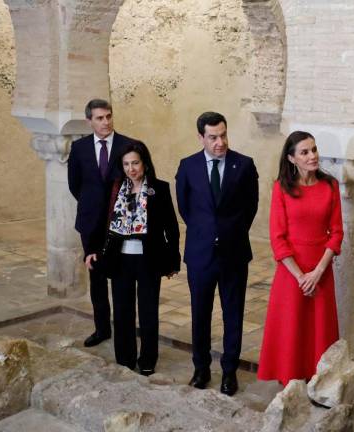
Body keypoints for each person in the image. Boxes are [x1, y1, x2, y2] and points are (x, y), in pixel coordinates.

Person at [176, 112, 259, 396]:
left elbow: (250, 207)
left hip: (234, 254)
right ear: (201, 137)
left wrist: (228, 233)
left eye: (223, 135)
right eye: (213, 137)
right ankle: (201, 368)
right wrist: (207, 233)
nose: (220, 142)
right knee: (200, 314)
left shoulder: (244, 165)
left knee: (233, 315)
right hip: (200, 255)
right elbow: (185, 209)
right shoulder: (188, 166)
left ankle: (229, 372)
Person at [84, 141, 180, 376]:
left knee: (148, 311)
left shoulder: (160, 188)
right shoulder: (115, 188)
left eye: (135, 163)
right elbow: (102, 223)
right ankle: (125, 359)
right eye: (126, 164)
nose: (131, 168)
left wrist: (172, 261)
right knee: (123, 310)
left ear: (145, 164)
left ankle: (147, 359)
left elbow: (172, 228)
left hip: (148, 260)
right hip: (120, 260)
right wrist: (93, 249)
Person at [257, 131, 343, 385]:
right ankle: (289, 382)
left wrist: (317, 273)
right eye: (305, 152)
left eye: (314, 150)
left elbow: (336, 233)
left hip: (321, 269)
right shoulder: (281, 188)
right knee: (291, 328)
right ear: (292, 158)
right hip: (291, 272)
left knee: (319, 330)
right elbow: (278, 238)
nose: (313, 156)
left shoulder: (330, 186)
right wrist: (301, 276)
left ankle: (320, 383)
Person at [67, 99, 133, 347]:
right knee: (96, 279)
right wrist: (91, 205)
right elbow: (75, 184)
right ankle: (102, 328)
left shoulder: (128, 145)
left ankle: (124, 329)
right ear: (89, 121)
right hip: (90, 223)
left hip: (119, 223)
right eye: (100, 118)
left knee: (121, 276)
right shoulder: (80, 148)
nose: (106, 122)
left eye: (108, 116)